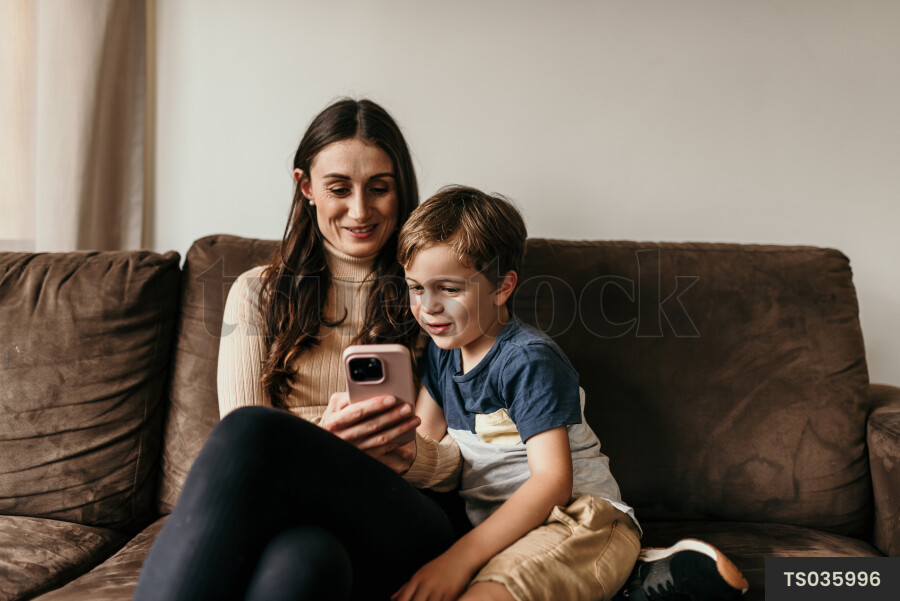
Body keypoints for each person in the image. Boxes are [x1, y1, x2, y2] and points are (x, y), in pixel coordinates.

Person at [134, 98, 464, 601]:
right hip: (300, 515)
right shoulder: (256, 292)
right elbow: (246, 448)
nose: (360, 210)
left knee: (251, 432)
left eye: (379, 188)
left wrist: (408, 453)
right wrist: (324, 440)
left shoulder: (435, 294)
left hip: (403, 513)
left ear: (401, 191)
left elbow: (467, 458)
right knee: (304, 564)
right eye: (338, 189)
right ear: (306, 187)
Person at [393, 185, 749, 601]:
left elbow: (552, 483)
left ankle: (625, 566)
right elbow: (425, 444)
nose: (428, 307)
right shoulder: (441, 353)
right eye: (416, 288)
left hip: (581, 520)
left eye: (448, 289)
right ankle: (632, 582)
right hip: (517, 536)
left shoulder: (528, 360)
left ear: (502, 287)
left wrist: (457, 558)